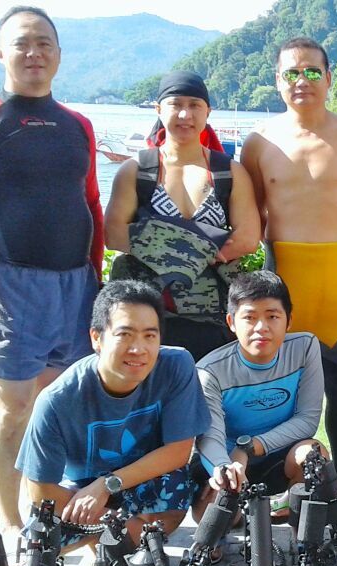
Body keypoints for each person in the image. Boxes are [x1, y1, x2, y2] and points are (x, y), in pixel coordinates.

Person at [0, 6, 105, 532]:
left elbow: (92, 205)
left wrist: (96, 281)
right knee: (13, 405)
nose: (33, 52)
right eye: (21, 44)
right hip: (11, 282)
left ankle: (46, 516)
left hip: (75, 283)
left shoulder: (77, 124)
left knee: (53, 404)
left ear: (59, 54)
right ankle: (13, 528)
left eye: (44, 43)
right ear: (1, 54)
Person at [242, 37, 337, 486]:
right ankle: (280, 483)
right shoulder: (259, 143)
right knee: (275, 383)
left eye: (313, 72)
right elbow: (253, 212)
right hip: (284, 276)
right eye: (292, 73)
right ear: (278, 81)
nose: (303, 81)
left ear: (329, 77)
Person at [16, 281, 210, 548]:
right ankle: (104, 543)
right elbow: (40, 492)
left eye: (149, 336)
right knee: (41, 546)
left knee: (175, 490)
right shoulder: (57, 400)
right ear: (96, 338)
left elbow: (178, 451)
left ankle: (114, 542)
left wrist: (106, 485)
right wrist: (109, 520)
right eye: (125, 335)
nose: (138, 349)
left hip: (134, 478)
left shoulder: (176, 365)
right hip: (76, 492)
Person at [104, 70, 261, 361]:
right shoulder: (137, 171)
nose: (185, 114)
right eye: (176, 104)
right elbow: (113, 234)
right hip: (148, 313)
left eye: (195, 105)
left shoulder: (227, 172)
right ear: (159, 109)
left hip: (212, 314)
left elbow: (249, 238)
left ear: (208, 112)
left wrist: (168, 246)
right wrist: (197, 245)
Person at [194, 271, 326, 523]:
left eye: (272, 316)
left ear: (289, 320)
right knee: (213, 519)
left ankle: (299, 530)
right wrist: (224, 468)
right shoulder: (209, 371)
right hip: (231, 462)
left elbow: (307, 420)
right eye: (250, 318)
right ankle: (246, 515)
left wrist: (248, 448)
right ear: (232, 322)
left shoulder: (305, 347)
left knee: (313, 454)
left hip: (279, 455)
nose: (261, 328)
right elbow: (209, 436)